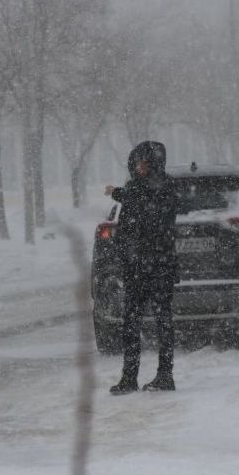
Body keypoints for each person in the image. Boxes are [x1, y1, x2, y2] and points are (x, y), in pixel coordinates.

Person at [104, 141, 179, 395]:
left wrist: (120, 193)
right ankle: (129, 376)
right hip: (136, 267)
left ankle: (165, 374)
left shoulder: (163, 188)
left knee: (162, 322)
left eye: (144, 163)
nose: (139, 167)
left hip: (158, 266)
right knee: (131, 322)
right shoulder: (138, 189)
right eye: (137, 163)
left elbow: (149, 212)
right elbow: (132, 219)